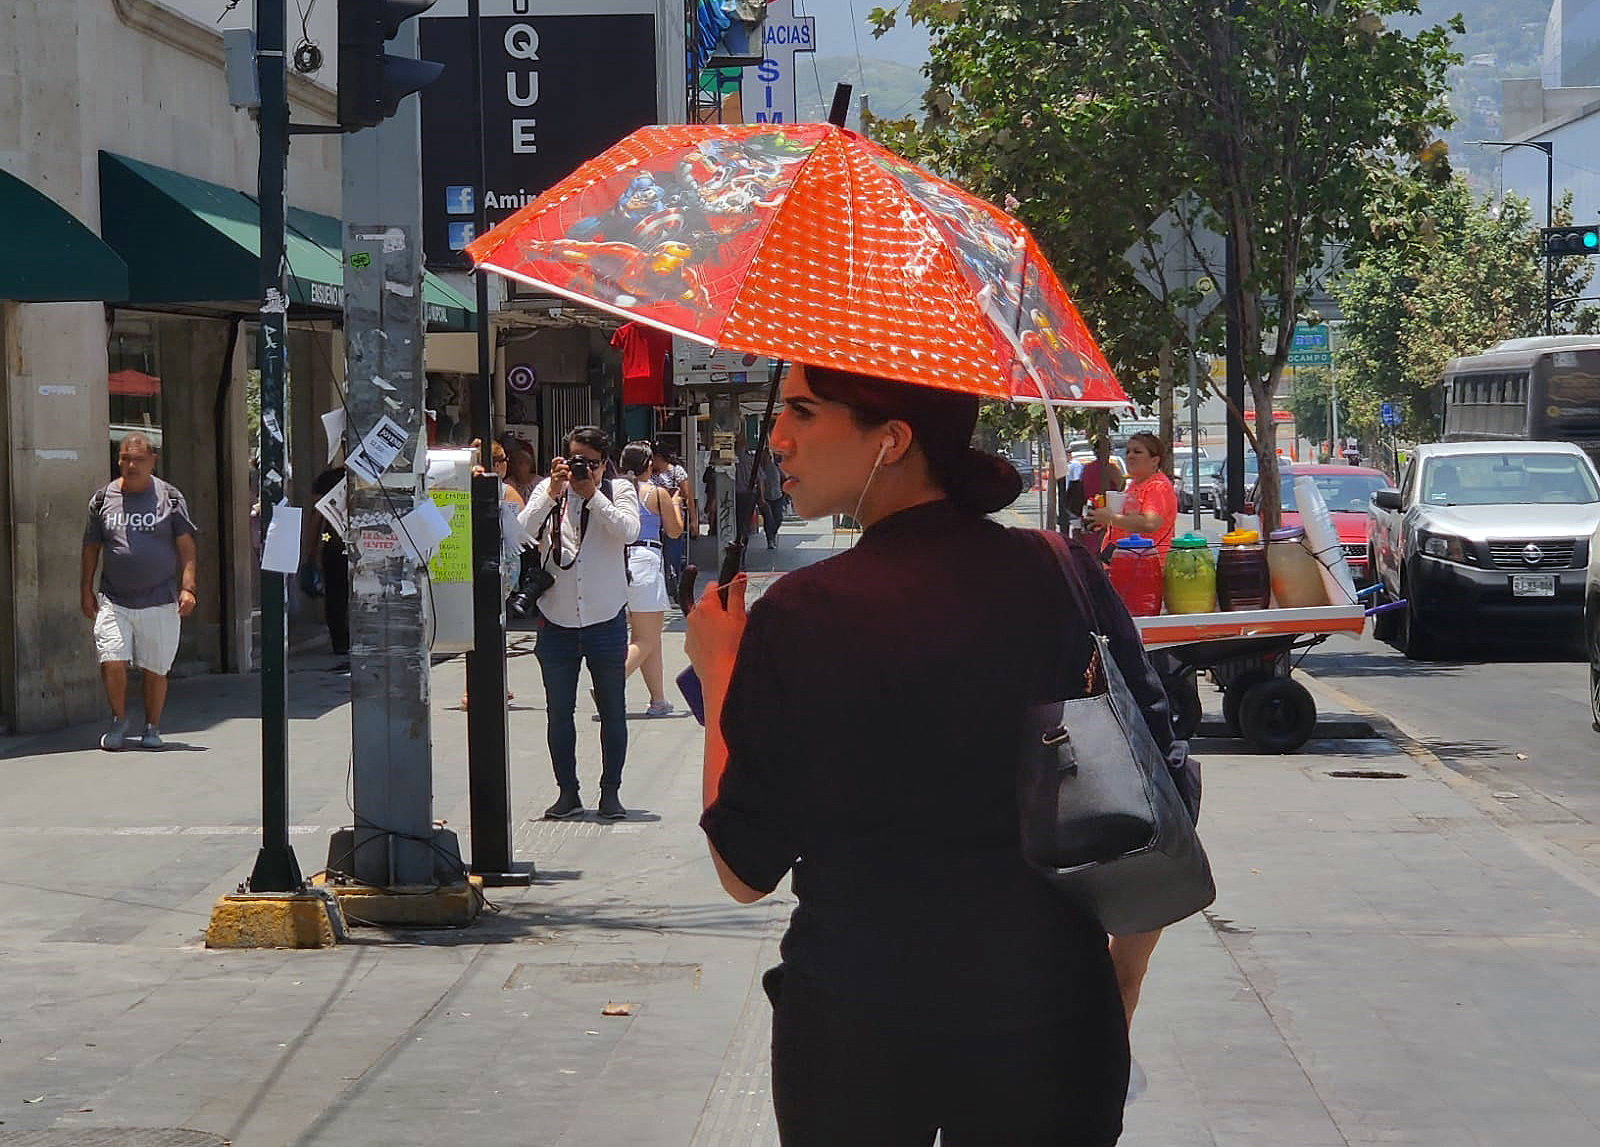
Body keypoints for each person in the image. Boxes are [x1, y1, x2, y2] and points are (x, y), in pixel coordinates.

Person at [686, 363, 1177, 1145]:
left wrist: (719, 673)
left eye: (804, 413)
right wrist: (1123, 972)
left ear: (893, 438)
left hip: (858, 1032)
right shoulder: (1062, 573)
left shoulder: (808, 615)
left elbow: (744, 870)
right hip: (1050, 1018)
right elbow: (1160, 789)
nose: (776, 438)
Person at [518, 426, 641, 820]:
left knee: (613, 711)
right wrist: (553, 493)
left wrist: (593, 497)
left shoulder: (618, 492)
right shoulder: (552, 490)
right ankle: (567, 793)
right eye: (574, 459)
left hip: (605, 618)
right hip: (556, 619)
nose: (579, 468)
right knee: (559, 713)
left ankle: (611, 793)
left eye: (588, 461)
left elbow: (629, 531)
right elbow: (519, 532)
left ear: (604, 463)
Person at [80, 432, 198, 751]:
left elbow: (186, 547)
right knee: (111, 657)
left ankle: (152, 726)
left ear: (152, 462)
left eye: (138, 460)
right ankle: (119, 720)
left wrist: (188, 588)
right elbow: (91, 547)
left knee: (155, 667)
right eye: (125, 459)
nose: (131, 465)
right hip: (114, 598)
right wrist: (86, 590)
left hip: (160, 599)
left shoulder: (170, 497)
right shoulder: (103, 499)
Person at [619, 442, 684, 716]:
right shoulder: (657, 494)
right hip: (645, 561)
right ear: (648, 466)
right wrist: (677, 504)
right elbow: (674, 531)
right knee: (646, 639)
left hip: (618, 562)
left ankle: (658, 699)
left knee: (649, 637)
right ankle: (609, 685)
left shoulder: (614, 491)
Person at [1090, 431, 1178, 561]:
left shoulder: (1157, 486)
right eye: (1128, 452)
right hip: (1125, 563)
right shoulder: (1135, 484)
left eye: (1137, 452)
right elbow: (1127, 522)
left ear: (1154, 460)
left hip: (1146, 566)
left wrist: (1110, 518)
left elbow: (1149, 523)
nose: (1130, 456)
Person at [311, 465, 349, 656]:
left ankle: (340, 641)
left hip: (333, 545)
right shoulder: (368, 476)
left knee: (336, 596)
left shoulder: (327, 479)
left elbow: (316, 519)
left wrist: (310, 554)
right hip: (354, 545)